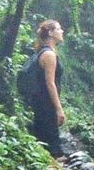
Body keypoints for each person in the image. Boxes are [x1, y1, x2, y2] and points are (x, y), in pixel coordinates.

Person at [28, 18, 66, 157]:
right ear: (50, 32)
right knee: (52, 144)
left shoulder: (43, 51)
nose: (62, 31)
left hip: (40, 102)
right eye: (58, 28)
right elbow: (50, 83)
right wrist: (58, 109)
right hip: (46, 104)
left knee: (42, 142)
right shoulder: (49, 54)